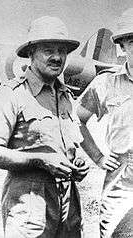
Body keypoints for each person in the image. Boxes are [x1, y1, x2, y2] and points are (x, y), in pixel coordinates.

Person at [0, 16, 89, 238]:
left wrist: (77, 161)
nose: (57, 57)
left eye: (62, 50)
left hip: (69, 205)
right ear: (30, 53)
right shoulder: (12, 94)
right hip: (30, 206)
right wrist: (40, 160)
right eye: (48, 49)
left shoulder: (66, 95)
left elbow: (69, 145)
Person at [76, 8, 133, 238]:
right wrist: (98, 157)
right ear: (122, 46)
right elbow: (75, 119)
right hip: (121, 182)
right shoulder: (105, 84)